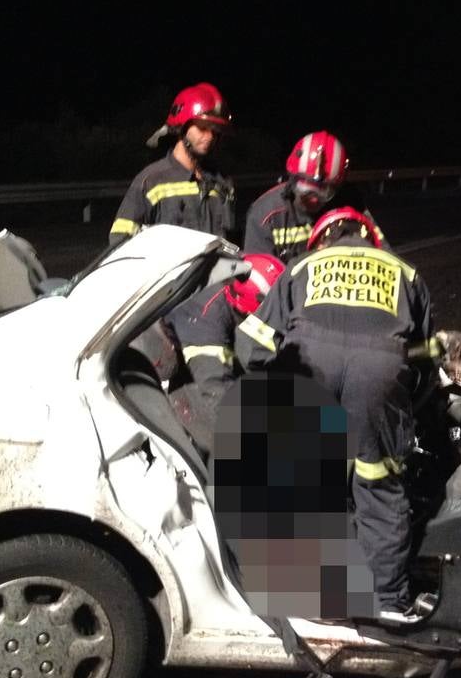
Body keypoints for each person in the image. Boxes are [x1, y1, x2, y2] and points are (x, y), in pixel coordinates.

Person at [235, 207, 435, 619]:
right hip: (378, 374)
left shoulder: (301, 266)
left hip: (309, 364)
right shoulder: (406, 272)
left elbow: (253, 345)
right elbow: (424, 358)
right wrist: (400, 409)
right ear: (368, 236)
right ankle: (389, 603)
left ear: (321, 239)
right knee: (378, 484)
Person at [162, 253, 285, 455]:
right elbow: (215, 386)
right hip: (179, 367)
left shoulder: (236, 273)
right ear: (247, 306)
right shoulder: (207, 321)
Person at [109, 82, 236, 245]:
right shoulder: (151, 181)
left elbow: (232, 242)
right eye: (203, 127)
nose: (210, 136)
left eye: (216, 130)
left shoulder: (223, 183)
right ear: (182, 128)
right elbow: (119, 241)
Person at [243, 131, 387, 264]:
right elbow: (258, 279)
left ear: (338, 187)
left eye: (325, 191)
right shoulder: (265, 215)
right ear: (292, 178)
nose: (314, 199)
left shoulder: (350, 203)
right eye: (305, 188)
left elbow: (384, 252)